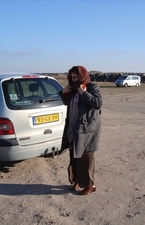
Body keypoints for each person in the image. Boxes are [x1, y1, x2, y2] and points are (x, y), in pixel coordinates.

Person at [59, 65, 102, 195]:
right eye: (71, 77)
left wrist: (84, 93)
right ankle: (77, 181)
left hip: (87, 129)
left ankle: (90, 185)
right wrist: (64, 93)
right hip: (73, 128)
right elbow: (68, 103)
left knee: (86, 158)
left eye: (76, 76)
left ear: (82, 75)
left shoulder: (92, 87)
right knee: (74, 156)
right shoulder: (73, 89)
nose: (73, 79)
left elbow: (98, 103)